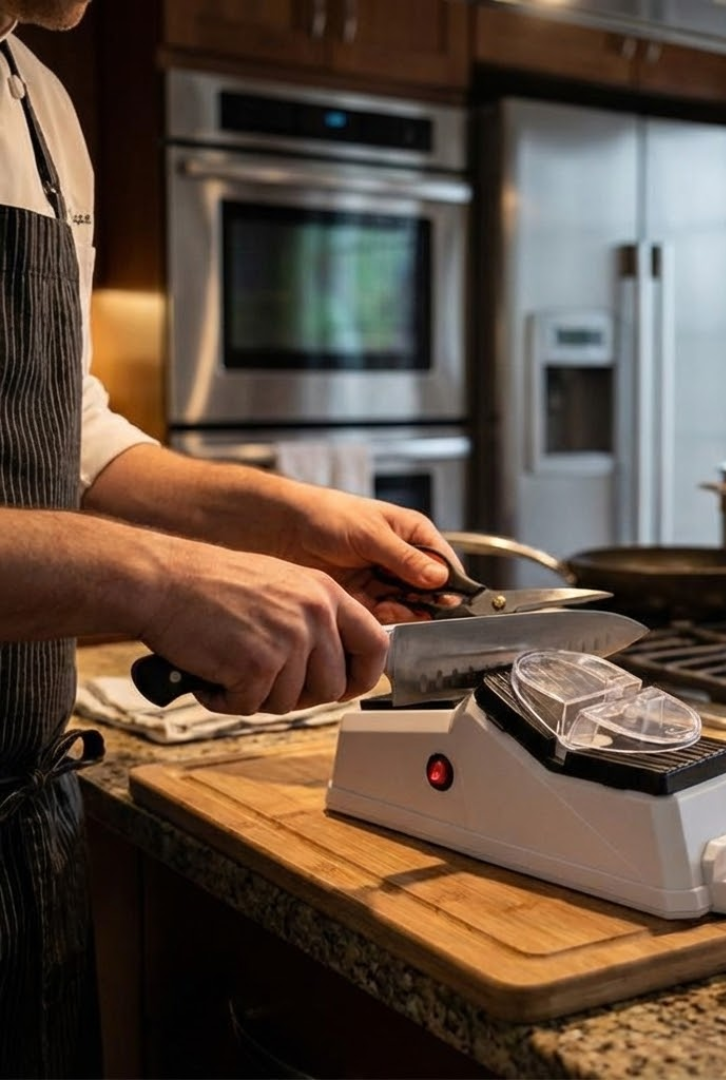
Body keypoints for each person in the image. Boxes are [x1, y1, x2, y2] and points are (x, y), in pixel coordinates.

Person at [0, 3, 459, 1075]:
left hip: (21, 829)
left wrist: (290, 520)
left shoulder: (40, 107)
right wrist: (158, 579)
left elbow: (66, 439)